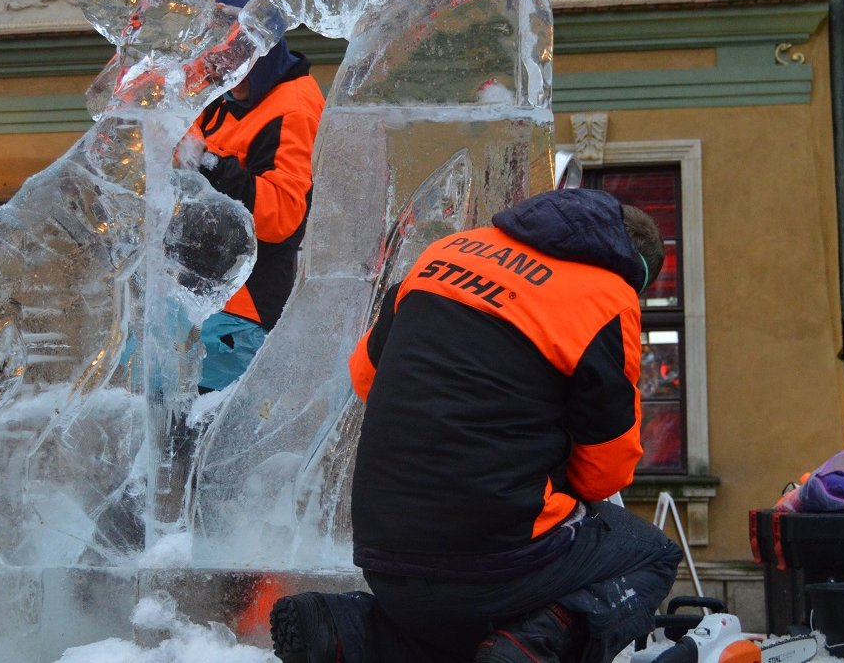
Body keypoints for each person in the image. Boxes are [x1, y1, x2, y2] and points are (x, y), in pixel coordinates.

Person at [269, 187, 683, 663]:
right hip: (494, 560)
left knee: (468, 623)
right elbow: (605, 476)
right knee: (651, 554)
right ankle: (535, 646)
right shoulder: (608, 298)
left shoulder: (445, 252)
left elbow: (365, 377)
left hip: (383, 549)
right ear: (634, 271)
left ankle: (348, 628)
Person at [188, 0, 326, 393]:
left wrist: (207, 163)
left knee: (208, 442)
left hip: (239, 310)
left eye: (236, 55)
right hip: (191, 300)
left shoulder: (293, 106)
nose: (227, 70)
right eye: (218, 55)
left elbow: (281, 216)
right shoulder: (222, 95)